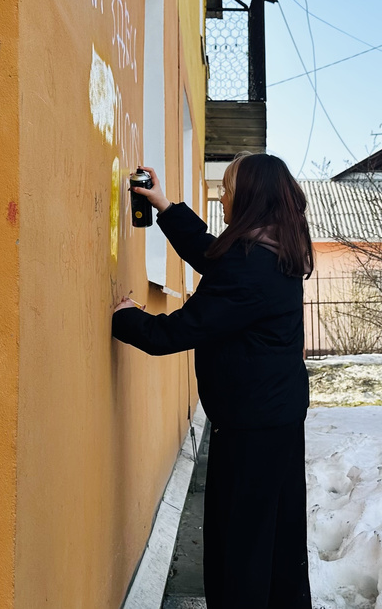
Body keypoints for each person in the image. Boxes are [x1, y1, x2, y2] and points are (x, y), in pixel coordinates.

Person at [112, 154, 314, 609]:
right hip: (270, 419)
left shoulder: (252, 267)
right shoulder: (268, 248)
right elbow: (212, 254)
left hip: (253, 429)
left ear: (250, 198)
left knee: (241, 545)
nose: (222, 196)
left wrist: (126, 318)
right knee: (273, 537)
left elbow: (178, 331)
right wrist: (164, 205)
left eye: (228, 188)